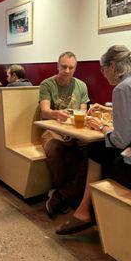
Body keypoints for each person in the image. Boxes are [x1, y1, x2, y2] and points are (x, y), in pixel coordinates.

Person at [57, 45, 131, 235]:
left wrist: (102, 127)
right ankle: (86, 208)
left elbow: (120, 141)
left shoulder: (124, 87)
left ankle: (85, 211)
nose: (102, 74)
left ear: (112, 66)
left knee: (96, 149)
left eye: (102, 69)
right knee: (103, 149)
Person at [39, 51, 89, 217]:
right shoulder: (47, 84)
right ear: (57, 66)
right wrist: (56, 114)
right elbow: (45, 111)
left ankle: (63, 195)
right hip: (51, 129)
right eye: (64, 67)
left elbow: (83, 110)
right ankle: (63, 192)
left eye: (71, 67)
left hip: (74, 130)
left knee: (90, 150)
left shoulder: (81, 85)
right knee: (55, 148)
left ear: (75, 68)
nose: (67, 70)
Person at [0, 64, 32, 130]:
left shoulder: (11, 86)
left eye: (8, 76)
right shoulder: (30, 84)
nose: (6, 79)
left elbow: (0, 103)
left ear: (14, 75)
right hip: (28, 120)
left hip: (12, 121)